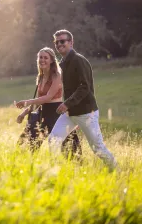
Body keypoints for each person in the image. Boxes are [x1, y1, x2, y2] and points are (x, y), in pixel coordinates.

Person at [48, 29, 117, 171]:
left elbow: (84, 87)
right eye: (56, 42)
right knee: (53, 140)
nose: (59, 44)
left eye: (62, 41)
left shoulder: (79, 60)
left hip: (86, 113)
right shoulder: (63, 63)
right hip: (69, 114)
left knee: (97, 148)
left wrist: (67, 103)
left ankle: (117, 170)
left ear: (71, 42)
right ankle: (55, 171)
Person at [15, 47, 81, 157]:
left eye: (46, 57)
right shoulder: (40, 77)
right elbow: (39, 101)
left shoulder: (57, 76)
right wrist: (23, 114)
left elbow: (48, 97)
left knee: (69, 150)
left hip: (56, 114)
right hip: (42, 114)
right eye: (40, 57)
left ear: (51, 60)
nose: (42, 60)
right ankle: (27, 167)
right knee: (26, 145)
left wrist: (26, 102)